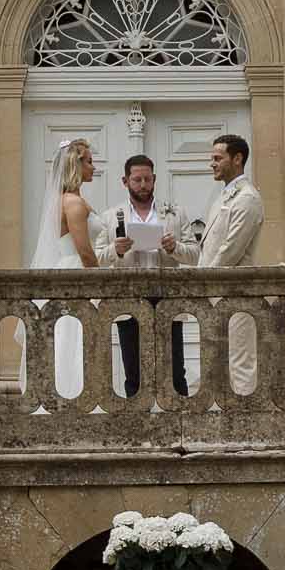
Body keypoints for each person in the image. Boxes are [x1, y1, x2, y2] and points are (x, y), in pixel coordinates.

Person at [93, 153, 199, 396]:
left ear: (155, 180)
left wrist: (175, 248)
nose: (143, 186)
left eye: (148, 180)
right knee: (133, 372)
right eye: (137, 180)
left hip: (167, 298)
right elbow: (96, 258)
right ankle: (137, 425)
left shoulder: (175, 213)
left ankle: (177, 423)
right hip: (128, 300)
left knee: (174, 369)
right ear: (125, 181)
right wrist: (115, 251)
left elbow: (195, 254)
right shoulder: (110, 216)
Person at [20, 138, 98, 401]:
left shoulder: (65, 201)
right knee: (74, 336)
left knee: (71, 335)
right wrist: (103, 281)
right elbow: (85, 251)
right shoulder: (73, 204)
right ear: (75, 166)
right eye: (88, 161)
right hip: (77, 271)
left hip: (69, 267)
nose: (93, 166)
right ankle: (72, 393)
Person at [196, 132, 262, 394]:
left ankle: (246, 421)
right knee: (217, 360)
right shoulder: (224, 196)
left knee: (240, 359)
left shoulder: (247, 198)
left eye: (217, 158)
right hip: (214, 293)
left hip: (235, 292)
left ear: (237, 159)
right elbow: (209, 248)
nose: (212, 163)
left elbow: (230, 251)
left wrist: (200, 281)